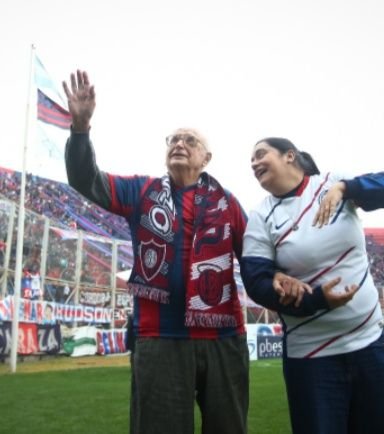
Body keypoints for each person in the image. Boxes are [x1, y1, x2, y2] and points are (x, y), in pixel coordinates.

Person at [62, 70, 249, 434]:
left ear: (206, 157)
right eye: (174, 139)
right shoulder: (141, 192)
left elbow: (255, 263)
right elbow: (86, 180)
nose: (179, 143)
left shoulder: (228, 204)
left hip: (224, 339)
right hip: (159, 338)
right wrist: (80, 129)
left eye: (189, 140)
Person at [240, 137, 384, 434]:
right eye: (251, 159)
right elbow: (256, 282)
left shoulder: (332, 182)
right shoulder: (260, 215)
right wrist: (316, 300)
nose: (253, 163)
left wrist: (346, 189)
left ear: (289, 155)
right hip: (310, 358)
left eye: (260, 154)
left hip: (370, 345)